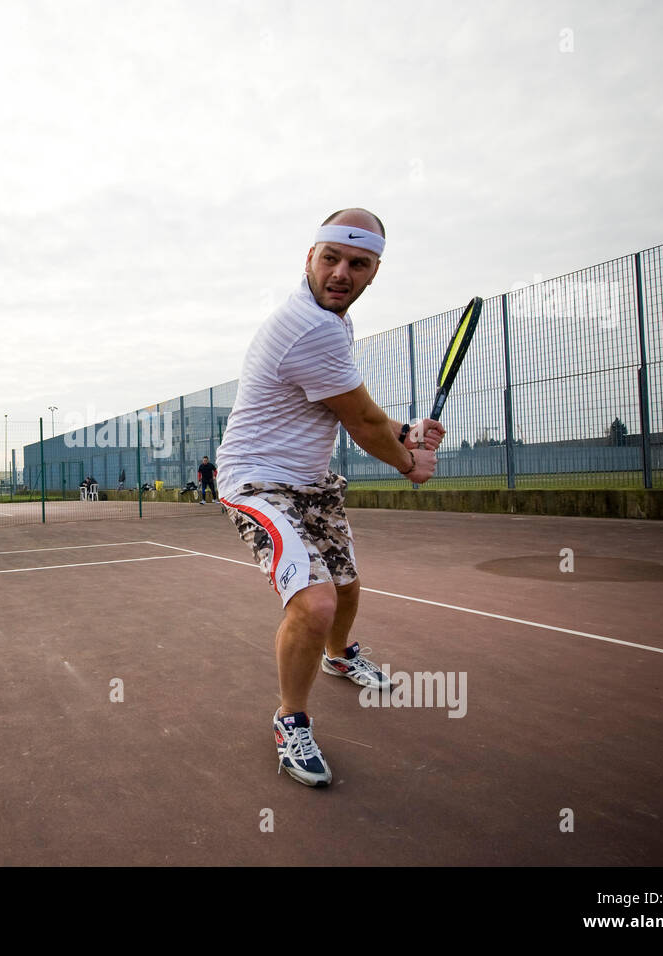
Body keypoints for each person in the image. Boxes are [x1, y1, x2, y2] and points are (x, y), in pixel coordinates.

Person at [215, 208, 444, 788]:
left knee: (346, 585)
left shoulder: (333, 322)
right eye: (331, 258)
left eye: (358, 264)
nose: (341, 272)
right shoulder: (310, 326)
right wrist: (409, 462)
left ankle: (339, 655)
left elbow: (358, 411)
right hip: (258, 481)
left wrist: (407, 434)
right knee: (313, 602)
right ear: (309, 259)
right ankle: (290, 718)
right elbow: (364, 424)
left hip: (310, 484)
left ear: (373, 273)